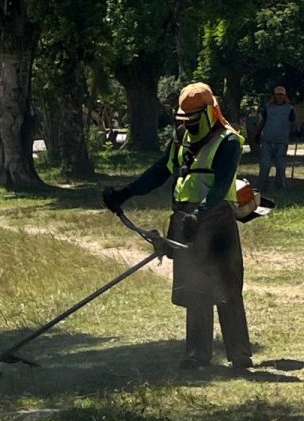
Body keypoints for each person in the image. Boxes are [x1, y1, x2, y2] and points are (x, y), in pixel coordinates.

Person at [103, 82, 252, 371]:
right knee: (195, 287)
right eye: (183, 119)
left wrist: (202, 212)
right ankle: (197, 355)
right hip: (185, 219)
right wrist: (125, 193)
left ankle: (239, 353)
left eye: (193, 119)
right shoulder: (181, 139)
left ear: (210, 113)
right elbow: (160, 171)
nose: (188, 124)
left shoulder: (229, 142)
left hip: (217, 221)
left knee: (227, 286)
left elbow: (221, 184)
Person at [258, 86, 296, 189]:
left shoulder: (289, 108)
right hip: (267, 140)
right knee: (265, 164)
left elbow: (293, 122)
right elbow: (263, 121)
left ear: (284, 96)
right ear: (274, 95)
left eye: (281, 95)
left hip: (282, 140)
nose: (279, 97)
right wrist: (258, 133)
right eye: (277, 94)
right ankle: (263, 185)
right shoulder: (268, 107)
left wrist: (295, 132)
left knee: (280, 166)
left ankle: (280, 185)